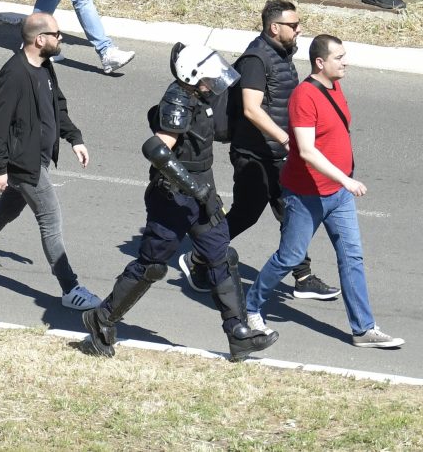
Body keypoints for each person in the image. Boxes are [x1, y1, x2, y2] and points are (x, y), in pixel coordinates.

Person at [80, 43, 278, 360]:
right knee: (152, 265)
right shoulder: (178, 99)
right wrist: (194, 189)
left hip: (203, 188)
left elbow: (217, 133)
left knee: (221, 255)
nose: (215, 82)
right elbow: (157, 149)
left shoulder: (204, 98)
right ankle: (101, 319)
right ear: (194, 76)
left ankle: (238, 333)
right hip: (172, 195)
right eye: (209, 78)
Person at [243, 34, 398, 349]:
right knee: (290, 257)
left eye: (344, 56)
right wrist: (346, 179)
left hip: (337, 195)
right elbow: (307, 151)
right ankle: (251, 306)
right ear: (320, 62)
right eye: (339, 57)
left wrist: (343, 180)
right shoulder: (304, 97)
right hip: (306, 194)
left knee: (351, 256)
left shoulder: (335, 86)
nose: (345, 62)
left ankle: (363, 329)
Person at [0, 10, 96, 307]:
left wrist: (74, 138)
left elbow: (57, 107)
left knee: (5, 211)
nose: (61, 38)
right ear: (40, 39)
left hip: (37, 156)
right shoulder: (14, 73)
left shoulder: (44, 65)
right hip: (24, 163)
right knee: (50, 221)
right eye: (56, 34)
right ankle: (70, 289)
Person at [225, 0, 338, 302]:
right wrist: (286, 139)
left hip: (276, 154)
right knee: (246, 214)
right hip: (254, 156)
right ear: (275, 28)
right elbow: (251, 109)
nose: (299, 30)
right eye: (293, 25)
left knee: (291, 213)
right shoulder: (256, 59)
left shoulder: (281, 53)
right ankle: (200, 256)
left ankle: (302, 276)